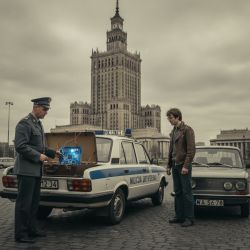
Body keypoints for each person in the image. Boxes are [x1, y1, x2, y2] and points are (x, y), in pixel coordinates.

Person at [14, 97, 60, 243]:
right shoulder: (24, 123)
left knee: (34, 203)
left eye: (47, 109)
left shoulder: (38, 124)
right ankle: (21, 234)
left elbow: (39, 146)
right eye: (45, 109)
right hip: (26, 170)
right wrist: (39, 156)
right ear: (36, 107)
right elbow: (20, 146)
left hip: (35, 171)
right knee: (24, 203)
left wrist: (53, 153)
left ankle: (32, 229)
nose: (46, 112)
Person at [166, 108, 195, 227]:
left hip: (183, 166)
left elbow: (191, 150)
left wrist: (186, 166)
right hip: (175, 165)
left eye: (171, 118)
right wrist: (168, 165)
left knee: (186, 192)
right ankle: (179, 216)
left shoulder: (187, 130)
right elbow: (171, 150)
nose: (169, 120)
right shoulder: (173, 131)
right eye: (168, 118)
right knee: (177, 192)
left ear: (178, 117)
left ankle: (189, 218)